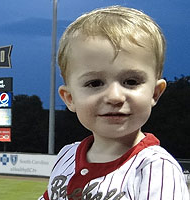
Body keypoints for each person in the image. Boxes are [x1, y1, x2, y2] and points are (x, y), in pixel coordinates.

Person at [39, 6, 189, 200]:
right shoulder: (67, 155)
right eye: (95, 83)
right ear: (70, 98)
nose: (115, 96)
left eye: (131, 82)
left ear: (155, 93)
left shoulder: (155, 168)